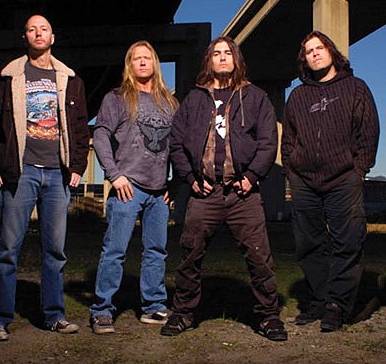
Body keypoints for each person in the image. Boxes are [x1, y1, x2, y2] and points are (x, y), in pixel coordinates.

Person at [161, 36, 288, 342]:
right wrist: (190, 178)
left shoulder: (255, 97)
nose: (221, 57)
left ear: (236, 59)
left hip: (242, 193)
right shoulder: (194, 99)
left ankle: (268, 317)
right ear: (209, 60)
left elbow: (268, 142)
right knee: (190, 254)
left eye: (227, 53)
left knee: (259, 257)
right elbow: (176, 143)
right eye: (216, 53)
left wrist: (252, 176)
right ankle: (183, 313)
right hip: (204, 193)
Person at [0, 15, 90, 341]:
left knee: (55, 251)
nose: (38, 33)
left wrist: (77, 166)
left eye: (44, 29)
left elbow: (80, 129)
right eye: (32, 29)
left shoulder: (71, 80)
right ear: (25, 37)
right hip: (21, 172)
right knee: (8, 249)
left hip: (57, 174)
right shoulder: (7, 78)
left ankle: (54, 316)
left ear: (53, 37)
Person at [282, 31, 379, 332]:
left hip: (344, 178)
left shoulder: (356, 88)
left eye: (319, 48)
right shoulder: (297, 96)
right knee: (308, 243)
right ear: (304, 60)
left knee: (347, 242)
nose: (314, 53)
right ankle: (320, 300)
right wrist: (292, 171)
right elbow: (288, 139)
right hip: (304, 181)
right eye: (308, 51)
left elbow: (369, 130)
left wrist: (358, 169)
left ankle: (337, 305)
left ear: (331, 52)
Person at [90, 40, 178, 334]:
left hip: (159, 191)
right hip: (127, 188)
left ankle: (153, 306)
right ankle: (102, 310)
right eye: (136, 58)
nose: (142, 62)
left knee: (156, 251)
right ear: (129, 65)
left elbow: (178, 146)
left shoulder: (170, 102)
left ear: (155, 63)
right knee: (115, 250)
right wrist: (114, 175)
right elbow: (100, 136)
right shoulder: (117, 98)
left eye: (147, 58)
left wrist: (175, 183)